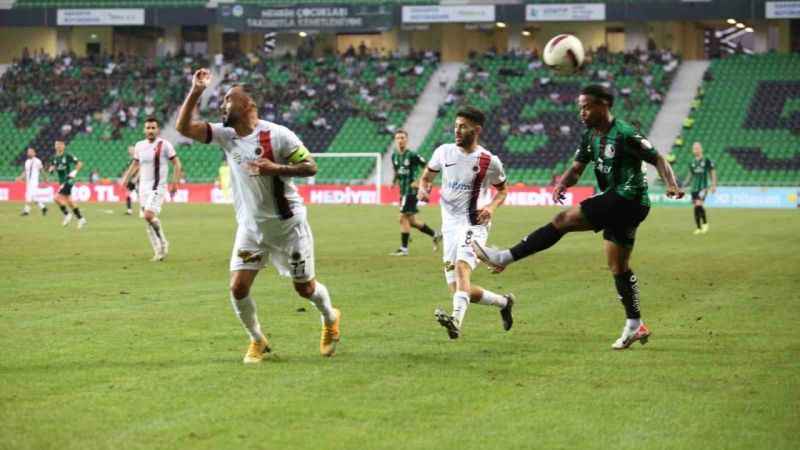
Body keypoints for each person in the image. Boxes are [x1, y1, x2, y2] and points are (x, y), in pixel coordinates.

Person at [471, 85, 684, 350]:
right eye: (579, 107)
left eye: (586, 106)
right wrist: (562, 184)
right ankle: (635, 324)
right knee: (618, 267)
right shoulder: (590, 136)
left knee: (563, 221)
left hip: (627, 198)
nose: (581, 112)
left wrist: (671, 184)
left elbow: (658, 159)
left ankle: (504, 256)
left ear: (604, 104)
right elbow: (576, 168)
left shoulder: (626, 133)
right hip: (623, 204)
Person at [175, 68, 341, 363]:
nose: (223, 104)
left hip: (289, 228)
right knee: (238, 287)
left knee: (305, 289)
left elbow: (311, 166)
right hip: (251, 230)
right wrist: (196, 91)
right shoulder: (225, 135)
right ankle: (257, 340)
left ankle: (330, 318)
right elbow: (183, 128)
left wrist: (276, 168)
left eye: (228, 99)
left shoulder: (278, 135)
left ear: (248, 105)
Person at [417, 106, 514, 340]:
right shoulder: (443, 152)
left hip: (474, 223)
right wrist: (423, 188)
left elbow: (503, 191)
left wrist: (490, 207)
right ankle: (503, 303)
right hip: (449, 225)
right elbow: (427, 176)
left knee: (462, 267)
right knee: (459, 288)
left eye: (463, 126)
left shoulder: (489, 160)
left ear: (476, 130)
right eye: (456, 126)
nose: (457, 131)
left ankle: (456, 321)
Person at [120, 118, 182, 262]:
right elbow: (135, 164)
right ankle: (158, 250)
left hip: (158, 187)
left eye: (153, 128)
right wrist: (126, 178)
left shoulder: (165, 145)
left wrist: (175, 183)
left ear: (158, 129)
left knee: (148, 215)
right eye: (148, 128)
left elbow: (177, 164)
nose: (150, 130)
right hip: (142, 188)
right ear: (144, 130)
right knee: (147, 220)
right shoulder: (139, 146)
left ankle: (164, 242)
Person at [389, 129, 441, 256]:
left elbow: (427, 166)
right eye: (398, 138)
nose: (400, 140)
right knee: (411, 220)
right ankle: (435, 234)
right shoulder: (394, 156)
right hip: (402, 190)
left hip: (411, 191)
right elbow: (396, 170)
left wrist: (421, 182)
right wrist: (393, 181)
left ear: (407, 140)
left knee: (402, 218)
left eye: (402, 138)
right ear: (395, 140)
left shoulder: (412, 155)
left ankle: (404, 249)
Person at [48, 140, 86, 229]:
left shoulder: (67, 155)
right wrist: (51, 169)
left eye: (60, 144)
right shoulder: (54, 158)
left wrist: (74, 172)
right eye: (56, 144)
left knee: (56, 198)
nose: (58, 146)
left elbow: (80, 163)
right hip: (61, 182)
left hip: (68, 180)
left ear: (64, 146)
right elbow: (52, 166)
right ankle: (81, 219)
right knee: (70, 201)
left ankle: (67, 214)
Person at [684, 142, 717, 234]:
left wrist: (714, 185)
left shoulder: (706, 160)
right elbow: (690, 176)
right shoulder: (691, 162)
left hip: (703, 187)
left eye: (697, 148)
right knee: (696, 207)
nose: (696, 149)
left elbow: (712, 172)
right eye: (694, 148)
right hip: (694, 188)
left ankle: (705, 223)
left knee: (698, 204)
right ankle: (698, 228)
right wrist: (683, 185)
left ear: (701, 149)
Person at [17, 147, 47, 216]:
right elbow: (25, 171)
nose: (29, 153)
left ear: (34, 153)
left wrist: (45, 178)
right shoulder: (27, 162)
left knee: (28, 196)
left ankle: (26, 211)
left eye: (30, 152)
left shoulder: (37, 161)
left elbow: (41, 170)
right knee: (33, 197)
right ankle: (43, 207)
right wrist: (20, 177)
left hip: (34, 182)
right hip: (28, 182)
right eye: (28, 152)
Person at [122, 146, 140, 216]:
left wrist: (136, 177)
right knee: (127, 194)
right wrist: (125, 176)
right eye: (129, 149)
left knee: (141, 195)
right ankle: (129, 210)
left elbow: (139, 168)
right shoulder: (130, 159)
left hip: (138, 179)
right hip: (131, 179)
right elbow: (129, 170)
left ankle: (143, 209)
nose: (129, 150)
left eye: (131, 149)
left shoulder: (137, 158)